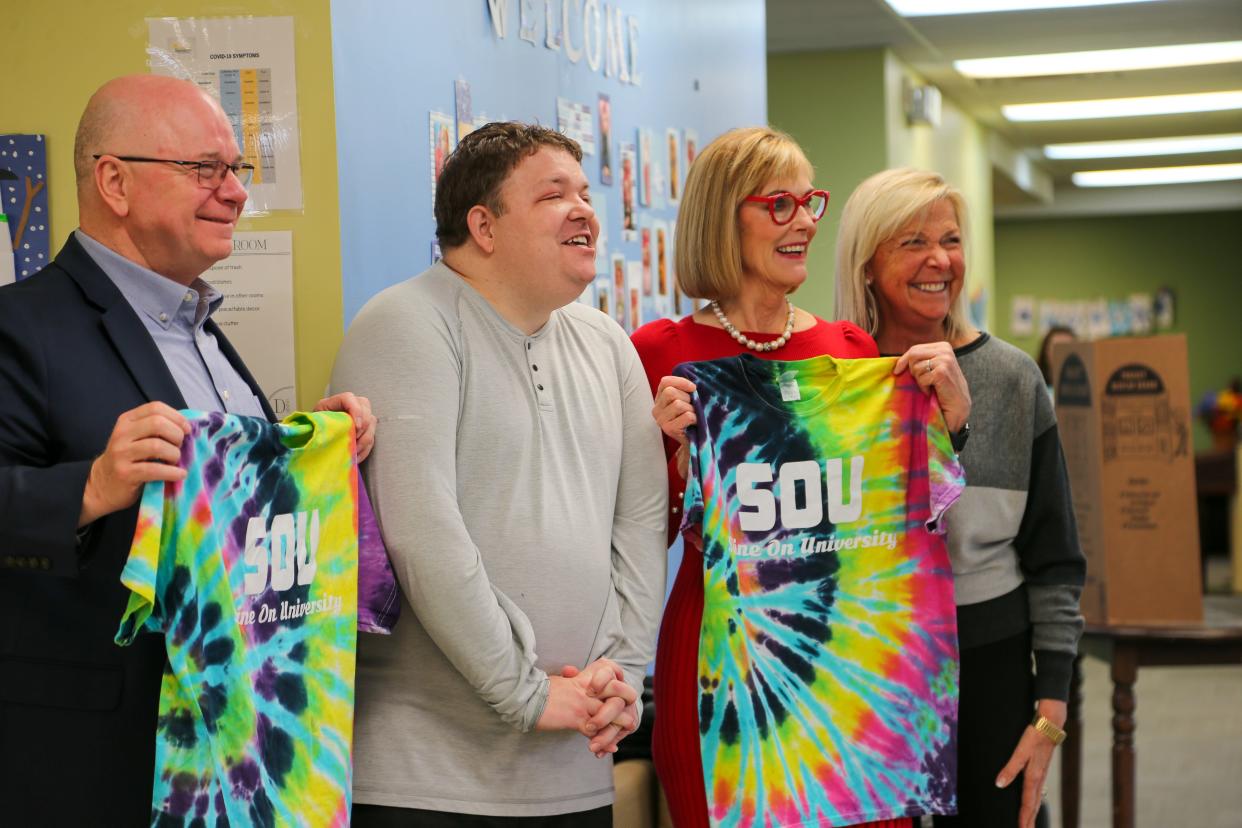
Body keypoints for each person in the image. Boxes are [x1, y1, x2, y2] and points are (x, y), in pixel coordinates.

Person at [0, 74, 376, 826]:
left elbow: (219, 513)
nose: (235, 192)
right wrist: (92, 486)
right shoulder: (20, 325)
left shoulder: (202, 328)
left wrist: (300, 454)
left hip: (236, 747)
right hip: (99, 759)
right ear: (115, 181)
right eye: (207, 169)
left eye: (237, 170)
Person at [631, 126, 971, 828]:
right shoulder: (660, 353)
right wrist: (663, 453)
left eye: (809, 201)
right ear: (725, 218)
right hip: (719, 659)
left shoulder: (847, 351)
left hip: (845, 659)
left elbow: (895, 525)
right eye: (779, 205)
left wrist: (948, 427)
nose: (807, 222)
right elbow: (640, 536)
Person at [331, 121, 667, 826]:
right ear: (483, 225)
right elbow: (423, 537)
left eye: (585, 191)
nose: (583, 210)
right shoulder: (405, 321)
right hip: (429, 781)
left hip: (580, 760)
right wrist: (526, 692)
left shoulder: (605, 342)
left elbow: (639, 522)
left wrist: (624, 676)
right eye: (554, 195)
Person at [835, 168, 1085, 828]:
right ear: (866, 263)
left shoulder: (1012, 378)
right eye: (912, 241)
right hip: (863, 668)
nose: (940, 260)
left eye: (950, 239)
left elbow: (1056, 559)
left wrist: (1052, 706)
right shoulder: (833, 386)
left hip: (993, 667)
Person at [1037, 325, 1075, 393]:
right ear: (1046, 351)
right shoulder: (1035, 387)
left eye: (1068, 348)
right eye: (1057, 348)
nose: (1063, 354)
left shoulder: (1085, 390)